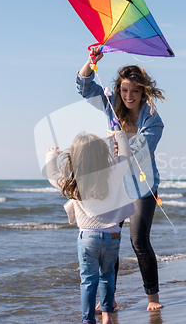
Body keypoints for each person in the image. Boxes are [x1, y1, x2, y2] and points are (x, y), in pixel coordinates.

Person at [76, 47, 165, 311]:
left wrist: (119, 140)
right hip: (115, 186)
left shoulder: (153, 119)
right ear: (118, 89)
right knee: (111, 243)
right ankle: (108, 300)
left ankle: (153, 299)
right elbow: (83, 86)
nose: (128, 96)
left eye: (135, 91)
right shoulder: (110, 102)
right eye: (124, 90)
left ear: (143, 92)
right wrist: (90, 63)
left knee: (139, 241)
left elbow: (140, 148)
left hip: (142, 187)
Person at [45, 130, 135, 324]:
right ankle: (107, 316)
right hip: (112, 236)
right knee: (107, 276)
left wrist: (51, 155)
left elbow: (52, 176)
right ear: (102, 154)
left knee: (88, 280)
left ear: (75, 158)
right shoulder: (113, 173)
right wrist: (120, 135)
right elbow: (126, 156)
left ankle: (88, 320)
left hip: (87, 238)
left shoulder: (72, 181)